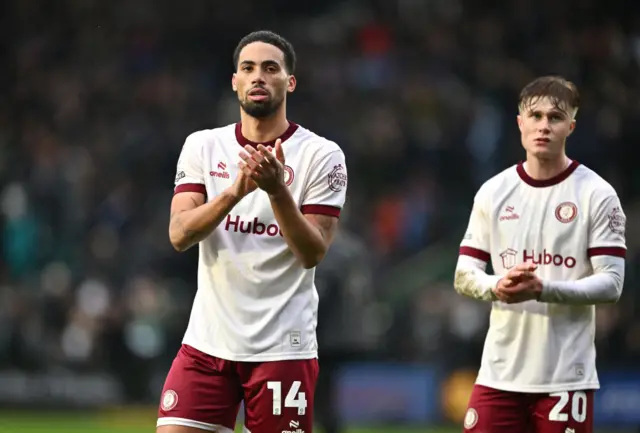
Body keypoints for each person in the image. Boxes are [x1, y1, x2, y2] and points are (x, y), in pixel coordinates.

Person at [156, 30, 348, 433]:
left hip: (283, 348)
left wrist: (277, 190)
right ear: (235, 81)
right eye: (248, 68)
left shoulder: (322, 155)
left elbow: (312, 252)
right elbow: (179, 234)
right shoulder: (203, 146)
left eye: (270, 68)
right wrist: (234, 192)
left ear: (289, 82)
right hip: (207, 345)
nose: (258, 76)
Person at [453, 76, 626, 433]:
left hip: (565, 377)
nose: (543, 125)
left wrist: (543, 289)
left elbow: (612, 283)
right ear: (520, 123)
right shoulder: (493, 192)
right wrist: (497, 286)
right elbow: (464, 274)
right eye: (535, 115)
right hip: (498, 374)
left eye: (555, 117)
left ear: (571, 126)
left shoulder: (597, 194)